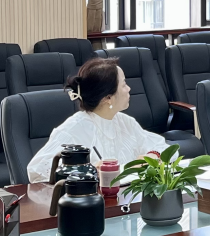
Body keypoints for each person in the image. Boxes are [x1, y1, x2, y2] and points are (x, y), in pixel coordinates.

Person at [26, 57, 168, 183]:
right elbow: (36, 171)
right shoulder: (73, 129)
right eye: (124, 84)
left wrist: (152, 157)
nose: (129, 89)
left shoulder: (126, 122)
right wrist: (89, 170)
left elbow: (163, 147)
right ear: (108, 98)